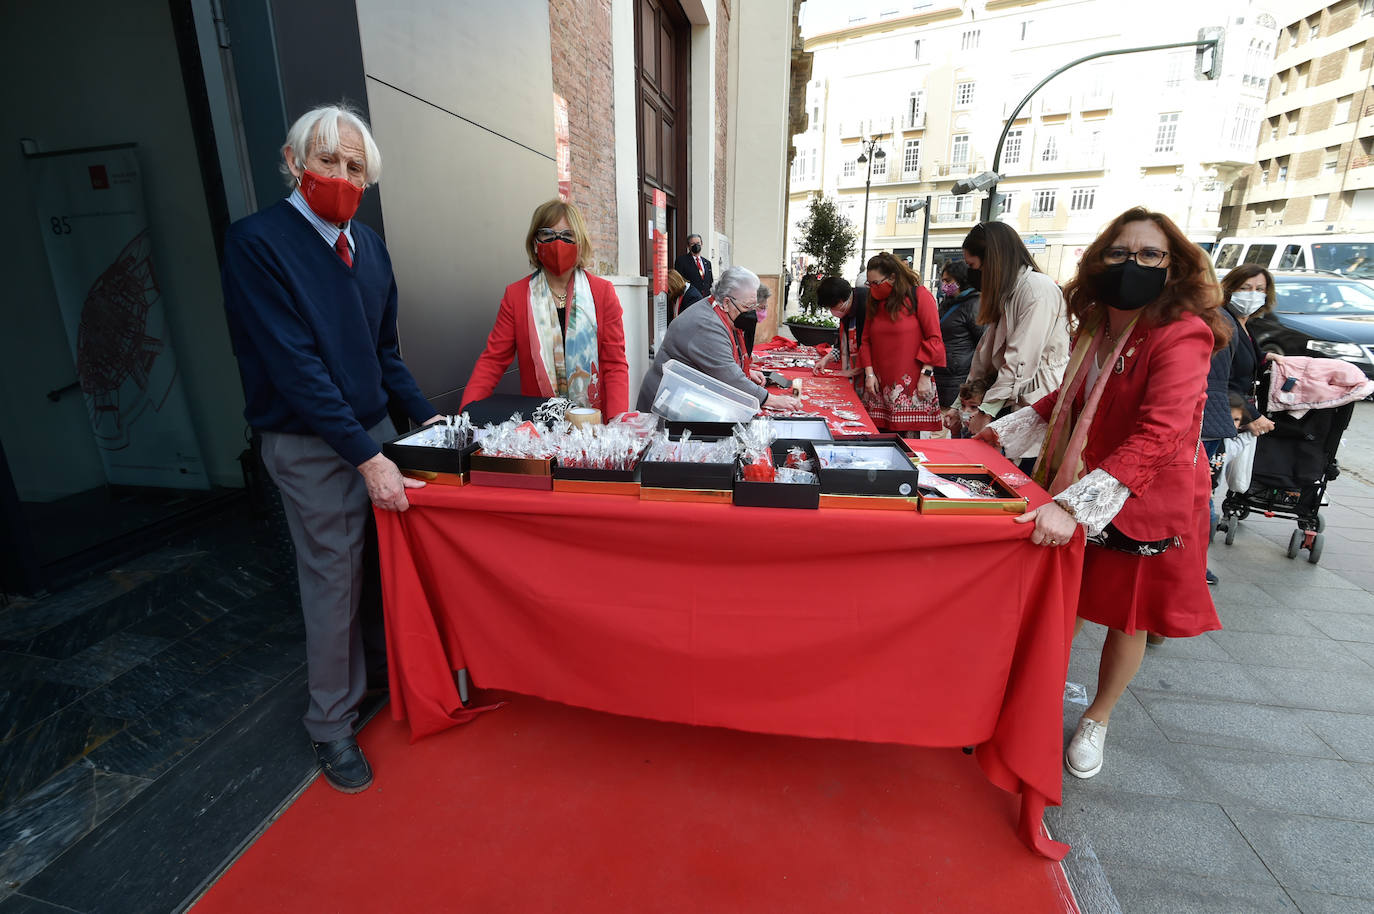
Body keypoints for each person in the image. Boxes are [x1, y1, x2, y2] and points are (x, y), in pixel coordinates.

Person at [221, 103, 442, 794]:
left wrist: (436, 428)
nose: (341, 178)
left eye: (355, 168)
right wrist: (367, 457)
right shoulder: (258, 243)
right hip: (308, 440)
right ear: (293, 163)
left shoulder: (368, 247)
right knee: (333, 579)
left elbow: (383, 353)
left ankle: (376, 677)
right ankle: (330, 723)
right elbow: (297, 369)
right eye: (328, 162)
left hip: (370, 431)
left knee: (383, 568)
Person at [977, 206, 1229, 780]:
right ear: (1099, 259)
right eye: (1120, 252)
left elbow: (1162, 433)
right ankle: (1032, 696)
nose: (1132, 263)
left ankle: (1098, 717)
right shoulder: (1096, 323)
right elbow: (1066, 398)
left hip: (1139, 497)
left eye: (1149, 255)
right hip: (1079, 480)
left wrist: (1073, 506)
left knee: (1127, 616)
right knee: (1062, 597)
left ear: (1173, 267)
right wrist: (1004, 429)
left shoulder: (1180, 331)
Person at [461, 200, 629, 417]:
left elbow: (614, 365)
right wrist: (465, 414)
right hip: (540, 428)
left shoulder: (602, 292)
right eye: (548, 235)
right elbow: (492, 361)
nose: (558, 242)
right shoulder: (516, 295)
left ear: (581, 242)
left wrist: (617, 425)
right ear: (534, 242)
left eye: (568, 235)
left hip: (595, 428)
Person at [955, 222, 1070, 449]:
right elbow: (985, 354)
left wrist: (986, 411)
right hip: (1010, 402)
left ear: (992, 261)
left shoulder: (1037, 290)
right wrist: (960, 402)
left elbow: (1020, 360)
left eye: (974, 267)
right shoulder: (1010, 292)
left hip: (1032, 402)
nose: (973, 275)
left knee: (1017, 475)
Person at [637, 266, 803, 413]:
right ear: (726, 302)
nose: (750, 313)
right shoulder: (705, 325)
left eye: (753, 306)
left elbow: (720, 363)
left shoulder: (715, 309)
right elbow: (729, 378)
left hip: (682, 394)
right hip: (666, 403)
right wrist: (771, 400)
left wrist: (745, 371)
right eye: (747, 307)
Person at [858, 251, 946, 434]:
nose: (872, 288)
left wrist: (926, 375)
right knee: (879, 439)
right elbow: (866, 341)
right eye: (869, 283)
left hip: (913, 384)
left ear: (892, 277)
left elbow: (934, 339)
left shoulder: (919, 295)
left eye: (876, 283)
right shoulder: (874, 301)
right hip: (878, 387)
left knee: (908, 445)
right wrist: (869, 374)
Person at [1219, 265, 1278, 440]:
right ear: (1230, 289)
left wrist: (1266, 357)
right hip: (1228, 416)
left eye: (1260, 289)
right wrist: (1250, 414)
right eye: (1245, 288)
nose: (1253, 294)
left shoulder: (1244, 323)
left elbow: (1245, 356)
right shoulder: (1224, 324)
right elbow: (1221, 381)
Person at [934, 260, 985, 408]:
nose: (944, 285)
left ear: (961, 279)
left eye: (948, 281)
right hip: (942, 371)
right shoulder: (948, 302)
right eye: (943, 281)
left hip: (957, 376)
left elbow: (983, 341)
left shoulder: (975, 303)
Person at [811, 276, 867, 379]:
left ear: (841, 302)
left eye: (831, 307)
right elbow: (841, 345)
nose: (832, 311)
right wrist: (826, 359)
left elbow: (869, 346)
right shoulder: (846, 311)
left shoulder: (866, 306)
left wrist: (854, 371)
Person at [673, 233, 713, 297]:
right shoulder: (681, 261)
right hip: (690, 299)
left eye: (698, 243)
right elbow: (678, 282)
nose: (696, 245)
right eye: (692, 244)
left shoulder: (707, 263)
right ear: (688, 246)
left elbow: (710, 282)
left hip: (705, 300)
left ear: (702, 244)